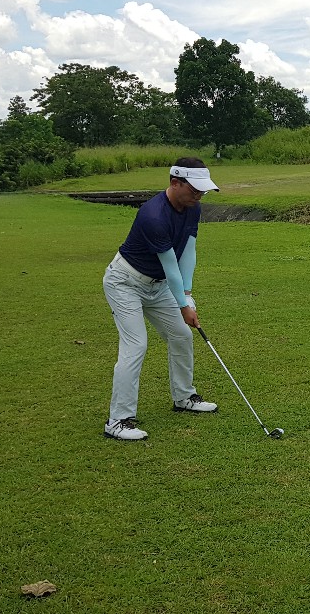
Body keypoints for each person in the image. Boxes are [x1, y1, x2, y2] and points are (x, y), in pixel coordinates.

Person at [102, 157, 220, 440]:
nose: (199, 195)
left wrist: (188, 295)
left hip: (158, 285)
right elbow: (170, 265)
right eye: (194, 189)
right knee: (136, 346)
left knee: (181, 336)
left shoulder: (193, 208)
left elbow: (188, 252)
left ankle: (184, 397)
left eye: (202, 191)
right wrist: (183, 305)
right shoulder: (153, 215)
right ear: (175, 183)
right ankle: (118, 421)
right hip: (125, 282)